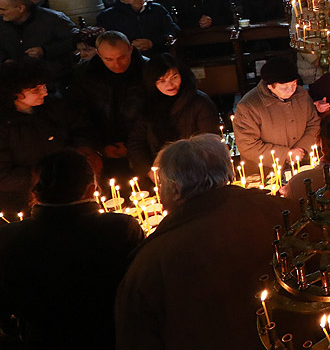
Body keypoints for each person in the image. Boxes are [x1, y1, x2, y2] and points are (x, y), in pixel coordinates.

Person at [116, 134, 294, 350]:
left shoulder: (151, 262)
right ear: (228, 173)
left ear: (175, 189)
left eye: (160, 183)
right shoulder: (284, 210)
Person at [0, 151, 143, 350]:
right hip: (112, 337)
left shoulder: (8, 237)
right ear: (91, 189)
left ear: (34, 191)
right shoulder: (121, 227)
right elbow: (140, 288)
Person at [0, 61, 95, 216]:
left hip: (71, 187)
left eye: (44, 86)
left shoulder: (53, 107)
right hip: (28, 201)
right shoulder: (5, 126)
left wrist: (81, 151)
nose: (44, 92)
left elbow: (82, 128)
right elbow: (3, 175)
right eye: (36, 90)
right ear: (15, 93)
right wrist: (47, 177)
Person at [126, 54, 220, 187]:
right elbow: (136, 143)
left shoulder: (200, 103)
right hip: (159, 177)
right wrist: (149, 170)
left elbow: (211, 142)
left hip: (197, 174)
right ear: (152, 82)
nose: (169, 85)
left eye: (174, 77)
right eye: (162, 80)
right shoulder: (145, 106)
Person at [66, 31, 149, 177]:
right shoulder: (84, 75)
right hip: (102, 148)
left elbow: (154, 112)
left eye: (122, 57)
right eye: (109, 59)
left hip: (143, 147)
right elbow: (78, 116)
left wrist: (133, 145)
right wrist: (99, 146)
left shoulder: (148, 70)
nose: (117, 64)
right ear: (98, 54)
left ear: (130, 49)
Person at [233, 56, 321, 167]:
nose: (291, 90)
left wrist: (301, 149)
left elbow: (314, 124)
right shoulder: (249, 106)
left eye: (293, 84)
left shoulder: (302, 95)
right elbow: (247, 145)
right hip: (267, 169)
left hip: (303, 161)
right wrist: (286, 154)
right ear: (270, 85)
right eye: (284, 87)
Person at [0, 0, 75, 77]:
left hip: (52, 77)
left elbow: (73, 40)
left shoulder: (52, 19)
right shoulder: (2, 23)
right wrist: (5, 59)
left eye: (3, 9)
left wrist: (44, 51)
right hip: (15, 79)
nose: (0, 12)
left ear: (21, 8)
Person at [96, 0, 179, 55]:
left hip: (157, 51)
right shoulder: (108, 15)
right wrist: (129, 45)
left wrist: (153, 42)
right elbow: (106, 38)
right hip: (125, 54)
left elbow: (172, 28)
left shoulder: (157, 9)